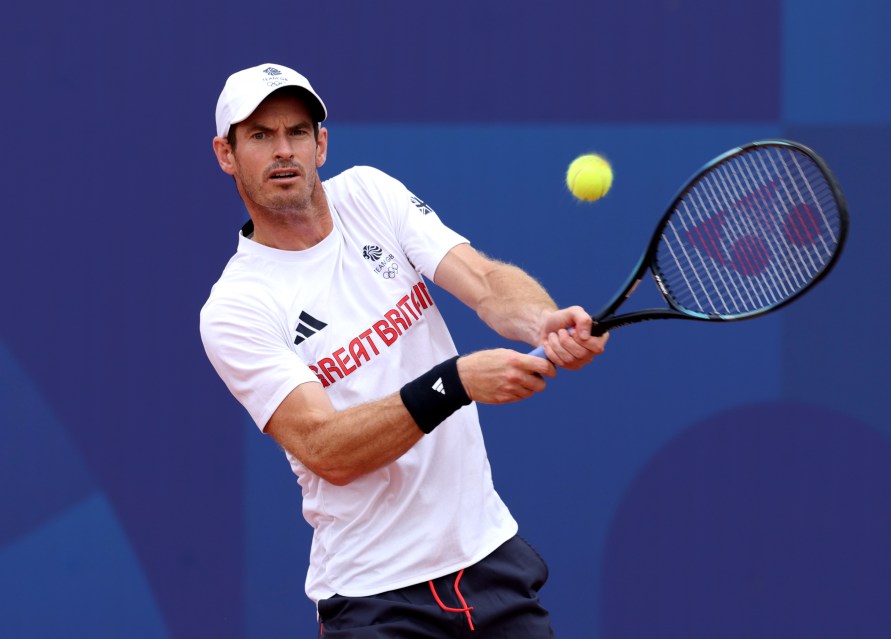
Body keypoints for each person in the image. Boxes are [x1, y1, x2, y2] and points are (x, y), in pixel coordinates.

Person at [199, 62, 607, 637]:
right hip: (375, 599)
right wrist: (455, 382)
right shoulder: (235, 308)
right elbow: (326, 449)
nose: (282, 150)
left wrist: (543, 321)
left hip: (490, 562)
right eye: (260, 136)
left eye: (296, 132)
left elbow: (486, 283)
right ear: (226, 154)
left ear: (321, 143)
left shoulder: (370, 193)